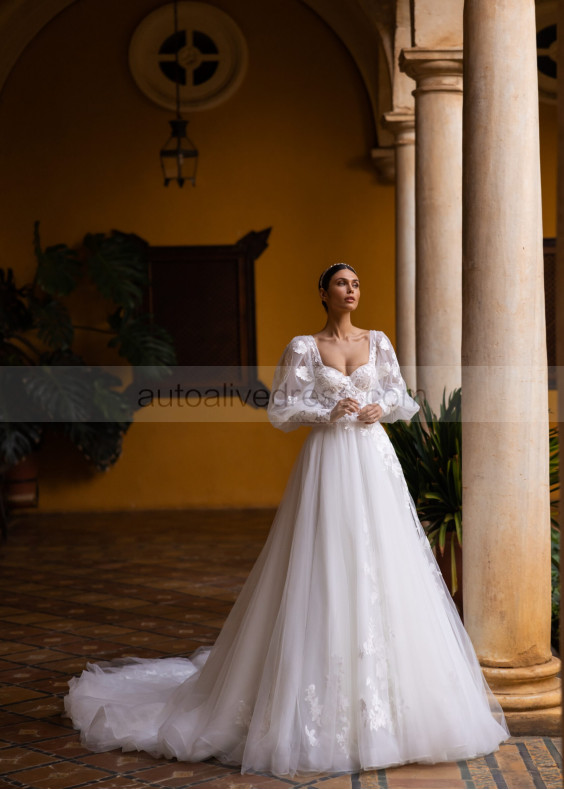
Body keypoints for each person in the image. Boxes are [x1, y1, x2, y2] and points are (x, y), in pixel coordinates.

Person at [63, 262, 511, 779]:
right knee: (321, 562)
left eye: (357, 284)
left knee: (383, 561)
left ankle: (395, 702)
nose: (351, 290)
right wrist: (328, 411)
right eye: (342, 283)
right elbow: (280, 409)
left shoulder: (379, 341)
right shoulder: (303, 346)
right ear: (323, 292)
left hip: (372, 459)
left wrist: (375, 409)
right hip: (327, 463)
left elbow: (401, 398)